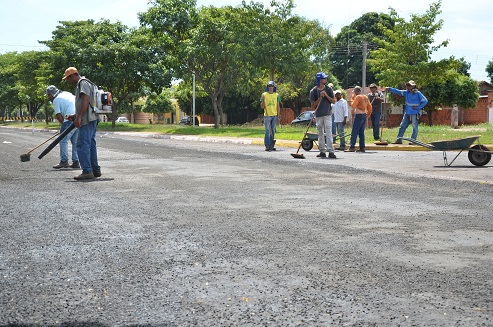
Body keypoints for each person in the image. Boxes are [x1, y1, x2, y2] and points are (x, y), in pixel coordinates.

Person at [62, 67, 101, 180]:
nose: (68, 81)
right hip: (91, 117)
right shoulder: (88, 82)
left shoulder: (82, 83)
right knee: (90, 144)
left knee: (82, 144)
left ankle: (87, 171)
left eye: (68, 79)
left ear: (72, 76)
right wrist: (75, 116)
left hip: (87, 119)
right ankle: (95, 170)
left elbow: (86, 100)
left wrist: (79, 117)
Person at [46, 85, 80, 169]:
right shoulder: (66, 93)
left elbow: (58, 116)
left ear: (51, 94)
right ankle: (76, 161)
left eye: (48, 95)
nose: (48, 97)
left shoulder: (56, 100)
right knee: (75, 142)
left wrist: (64, 126)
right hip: (78, 118)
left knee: (63, 140)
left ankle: (64, 161)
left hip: (69, 120)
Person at [309, 72, 336, 158]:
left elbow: (333, 101)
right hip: (319, 115)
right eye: (324, 78)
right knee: (320, 133)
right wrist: (320, 97)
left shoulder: (328, 89)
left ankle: (331, 151)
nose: (326, 79)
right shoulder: (313, 91)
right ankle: (322, 151)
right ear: (320, 80)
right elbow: (313, 105)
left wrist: (326, 95)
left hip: (327, 114)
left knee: (328, 132)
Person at [347, 86, 372, 152]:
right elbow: (370, 107)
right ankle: (362, 147)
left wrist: (352, 99)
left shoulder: (358, 97)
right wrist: (368, 114)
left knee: (354, 131)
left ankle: (352, 147)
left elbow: (353, 106)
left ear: (355, 92)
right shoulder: (365, 97)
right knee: (361, 132)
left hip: (358, 115)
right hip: (364, 114)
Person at [260, 81, 281, 151]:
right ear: (267, 87)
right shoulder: (264, 95)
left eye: (271, 86)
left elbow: (278, 106)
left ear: (273, 87)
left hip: (274, 115)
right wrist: (263, 101)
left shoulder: (277, 95)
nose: (270, 87)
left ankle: (271, 145)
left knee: (273, 131)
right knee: (268, 131)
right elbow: (262, 107)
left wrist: (278, 116)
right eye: (269, 86)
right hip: (267, 115)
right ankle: (267, 145)